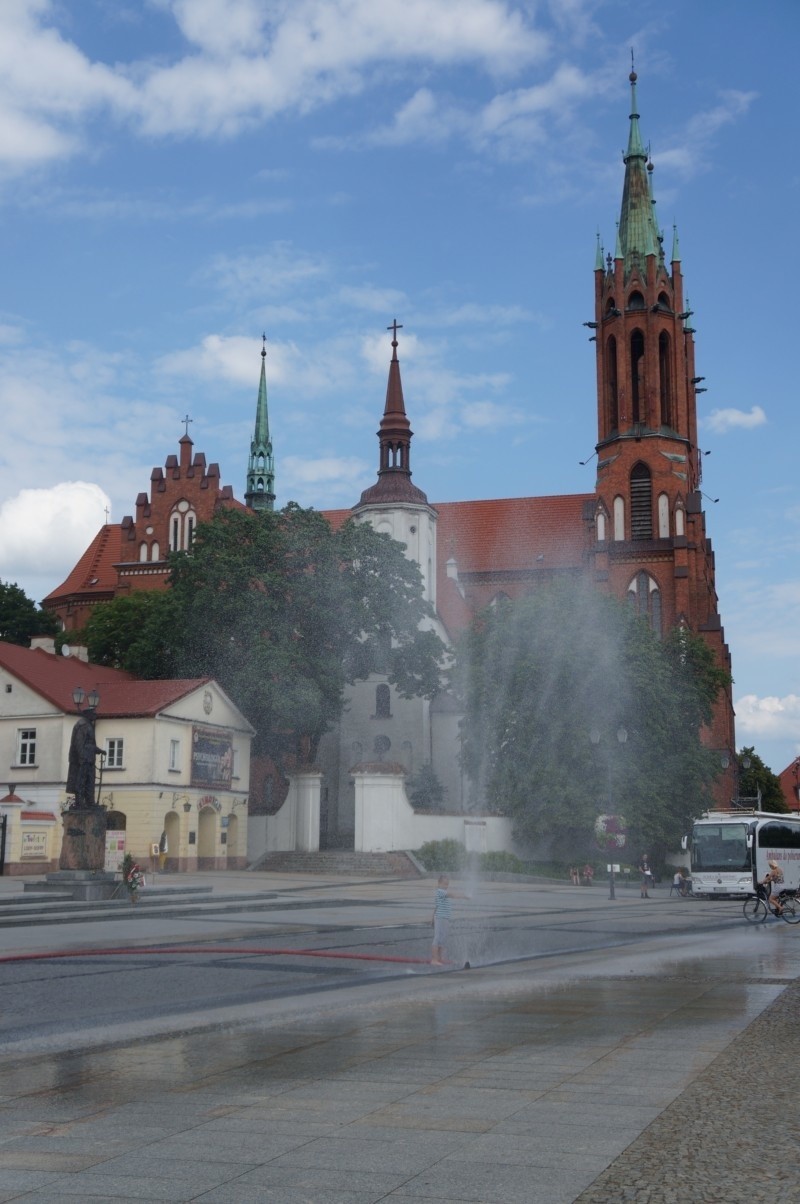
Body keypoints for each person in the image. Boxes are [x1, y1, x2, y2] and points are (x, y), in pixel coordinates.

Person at [431, 874, 469, 966]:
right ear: (439, 883)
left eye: (447, 884)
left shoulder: (443, 893)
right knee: (437, 938)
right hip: (440, 918)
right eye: (444, 884)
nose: (446, 886)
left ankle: (440, 958)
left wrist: (432, 918)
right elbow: (451, 895)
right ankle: (434, 959)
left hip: (445, 918)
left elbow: (436, 906)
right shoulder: (440, 891)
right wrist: (464, 896)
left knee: (442, 939)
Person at [66, 709, 100, 809]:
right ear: (87, 715)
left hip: (89, 760)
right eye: (93, 714)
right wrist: (81, 757)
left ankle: (90, 803)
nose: (95, 715)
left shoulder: (88, 725)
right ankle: (80, 803)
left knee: (89, 781)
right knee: (80, 782)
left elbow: (89, 744)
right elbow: (79, 743)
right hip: (83, 760)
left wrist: (98, 750)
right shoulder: (83, 725)